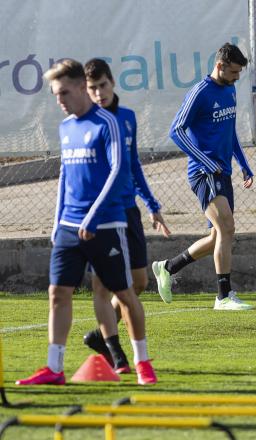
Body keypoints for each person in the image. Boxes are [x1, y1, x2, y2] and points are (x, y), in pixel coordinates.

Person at [15, 59, 156, 386]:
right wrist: (57, 222)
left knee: (124, 294)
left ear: (81, 87)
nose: (60, 99)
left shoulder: (109, 123)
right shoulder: (66, 128)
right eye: (55, 94)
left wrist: (93, 216)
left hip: (105, 225)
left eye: (64, 92)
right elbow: (65, 176)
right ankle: (55, 368)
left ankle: (142, 362)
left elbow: (117, 171)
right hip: (68, 227)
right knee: (57, 293)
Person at [79, 58, 171, 374]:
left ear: (112, 83)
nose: (98, 93)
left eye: (102, 86)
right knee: (112, 287)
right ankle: (116, 347)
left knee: (140, 282)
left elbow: (132, 167)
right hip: (104, 216)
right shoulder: (87, 123)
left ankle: (101, 337)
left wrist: (152, 205)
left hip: (129, 211)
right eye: (92, 88)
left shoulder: (128, 118)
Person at [151, 43, 255, 311]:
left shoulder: (229, 89)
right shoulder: (200, 92)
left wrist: (243, 164)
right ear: (219, 66)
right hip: (204, 173)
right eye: (233, 71)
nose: (237, 77)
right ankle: (223, 296)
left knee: (216, 238)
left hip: (223, 171)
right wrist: (206, 161)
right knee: (227, 229)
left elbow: (230, 133)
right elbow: (176, 131)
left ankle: (168, 267)